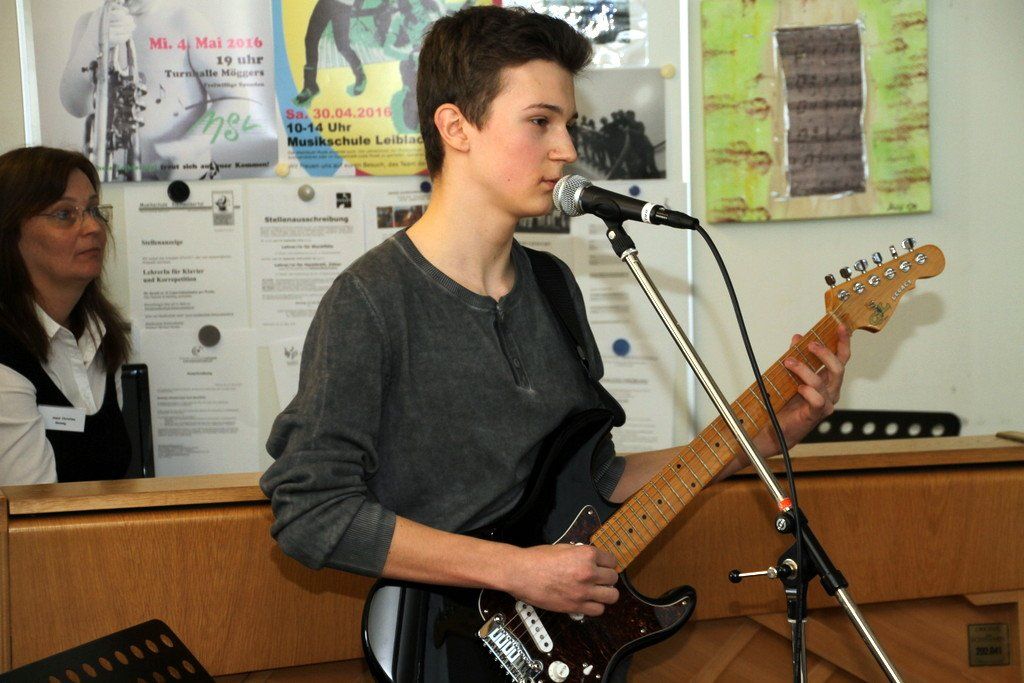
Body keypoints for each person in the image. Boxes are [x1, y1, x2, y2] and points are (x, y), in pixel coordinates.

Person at [259, 5, 851, 678]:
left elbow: (600, 481)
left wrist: (759, 439)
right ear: (456, 127)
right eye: (540, 121)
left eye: (569, 124)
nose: (567, 149)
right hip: (447, 650)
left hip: (569, 651)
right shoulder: (369, 300)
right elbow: (309, 511)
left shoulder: (554, 285)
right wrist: (514, 570)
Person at [0, 146, 132, 485]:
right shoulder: (5, 355)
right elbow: (32, 507)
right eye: (64, 214)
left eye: (93, 210)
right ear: (10, 233)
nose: (93, 228)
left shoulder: (100, 337)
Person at [59, 0, 275, 180]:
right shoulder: (89, 24)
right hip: (117, 182)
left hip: (188, 179)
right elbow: (75, 106)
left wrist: (191, 146)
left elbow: (234, 99)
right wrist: (91, 43)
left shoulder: (186, 21)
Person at [295, 0, 368, 104]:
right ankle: (310, 86)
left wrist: (357, 5)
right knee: (310, 40)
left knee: (342, 46)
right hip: (326, 3)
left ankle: (360, 75)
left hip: (343, 6)